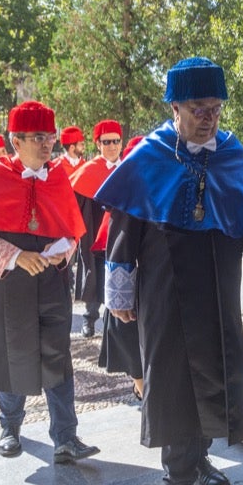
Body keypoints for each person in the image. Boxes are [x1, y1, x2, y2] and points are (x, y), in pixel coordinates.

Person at [96, 57, 243, 485]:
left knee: (216, 371)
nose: (208, 117)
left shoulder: (232, 154)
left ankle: (200, 460)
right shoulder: (150, 155)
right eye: (198, 107)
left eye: (215, 108)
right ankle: (177, 482)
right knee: (176, 381)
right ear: (174, 106)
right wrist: (118, 290)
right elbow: (124, 226)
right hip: (165, 290)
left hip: (219, 286)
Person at [0, 100, 97, 465]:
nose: (47, 144)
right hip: (6, 289)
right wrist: (17, 257)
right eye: (37, 137)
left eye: (50, 136)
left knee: (58, 358)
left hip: (52, 284)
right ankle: (10, 427)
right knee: (10, 354)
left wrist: (62, 247)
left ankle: (65, 437)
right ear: (16, 141)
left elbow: (72, 231)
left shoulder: (60, 176)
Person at [96, 137, 146, 401]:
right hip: (129, 282)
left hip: (154, 282)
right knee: (127, 336)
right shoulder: (129, 191)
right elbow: (118, 245)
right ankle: (141, 386)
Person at [69, 119, 124, 338]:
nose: (112, 146)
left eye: (116, 141)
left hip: (120, 230)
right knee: (94, 271)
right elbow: (73, 204)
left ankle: (116, 324)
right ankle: (89, 319)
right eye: (106, 141)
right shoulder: (88, 171)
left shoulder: (127, 168)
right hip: (94, 229)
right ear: (98, 144)